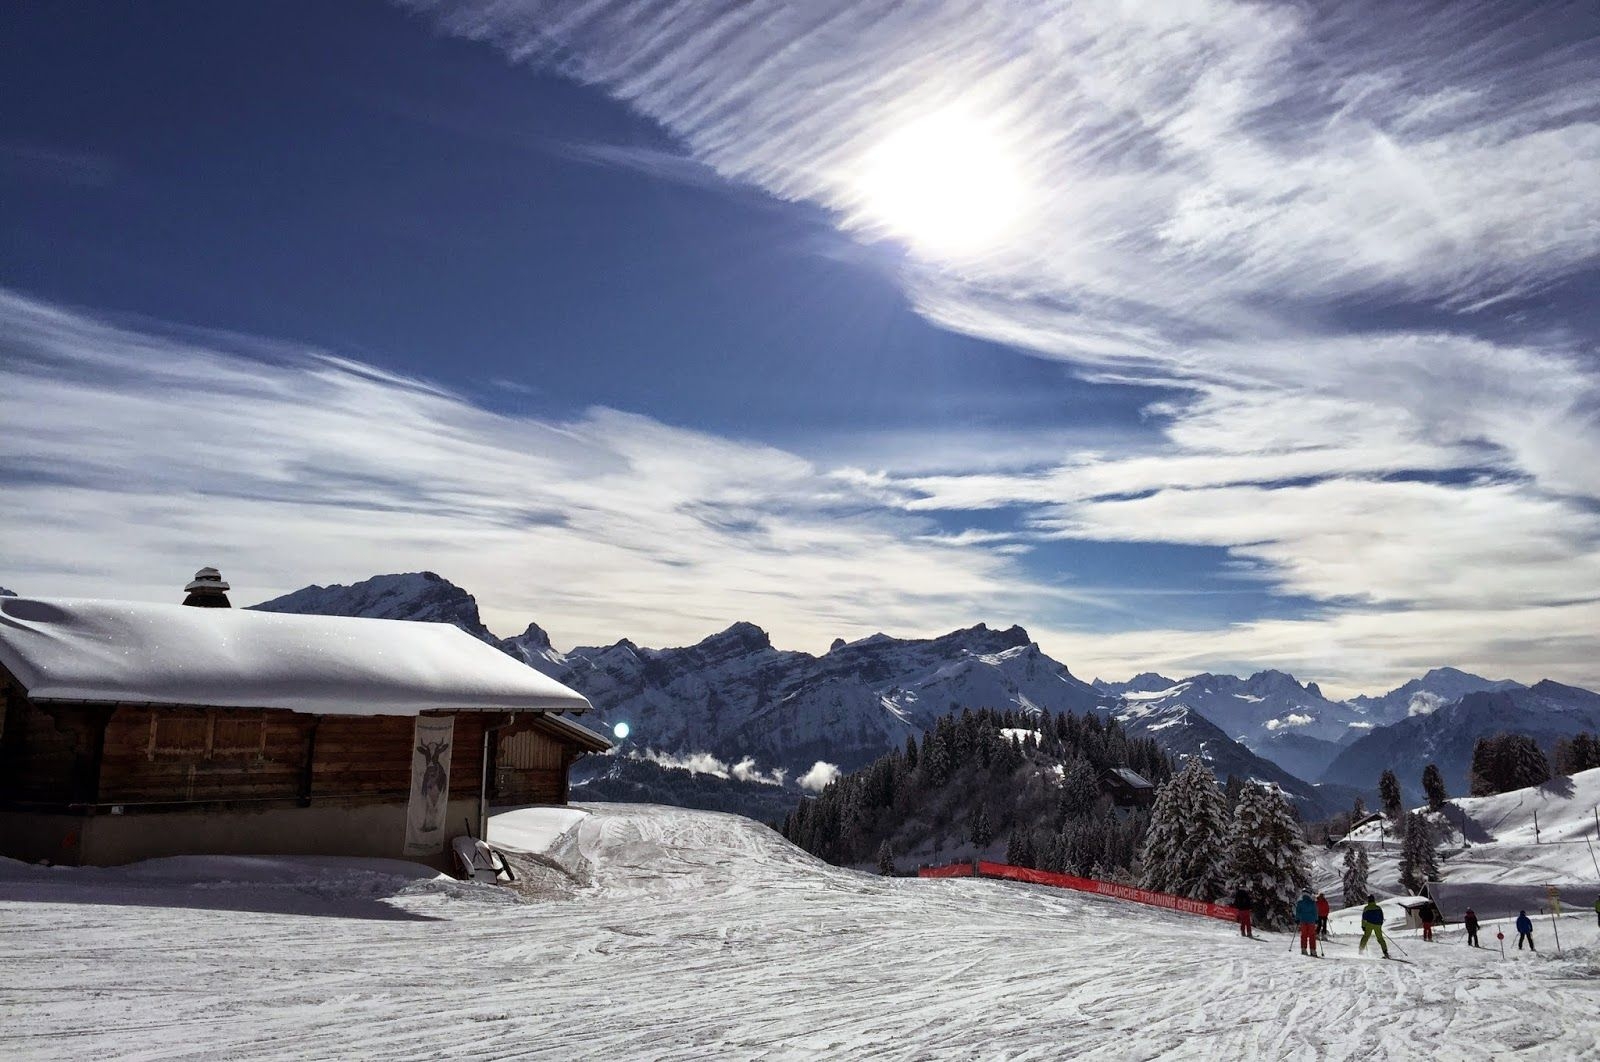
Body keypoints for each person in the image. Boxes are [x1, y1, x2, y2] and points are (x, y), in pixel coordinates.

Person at [1295, 889, 1320, 956]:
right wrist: (1316, 920)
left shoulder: (1300, 902)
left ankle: (1303, 949)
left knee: (1304, 935)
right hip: (1311, 921)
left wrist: (1297, 919)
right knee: (1312, 935)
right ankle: (1313, 950)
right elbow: (1315, 912)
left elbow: (1298, 912)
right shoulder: (1312, 902)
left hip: (1303, 921)